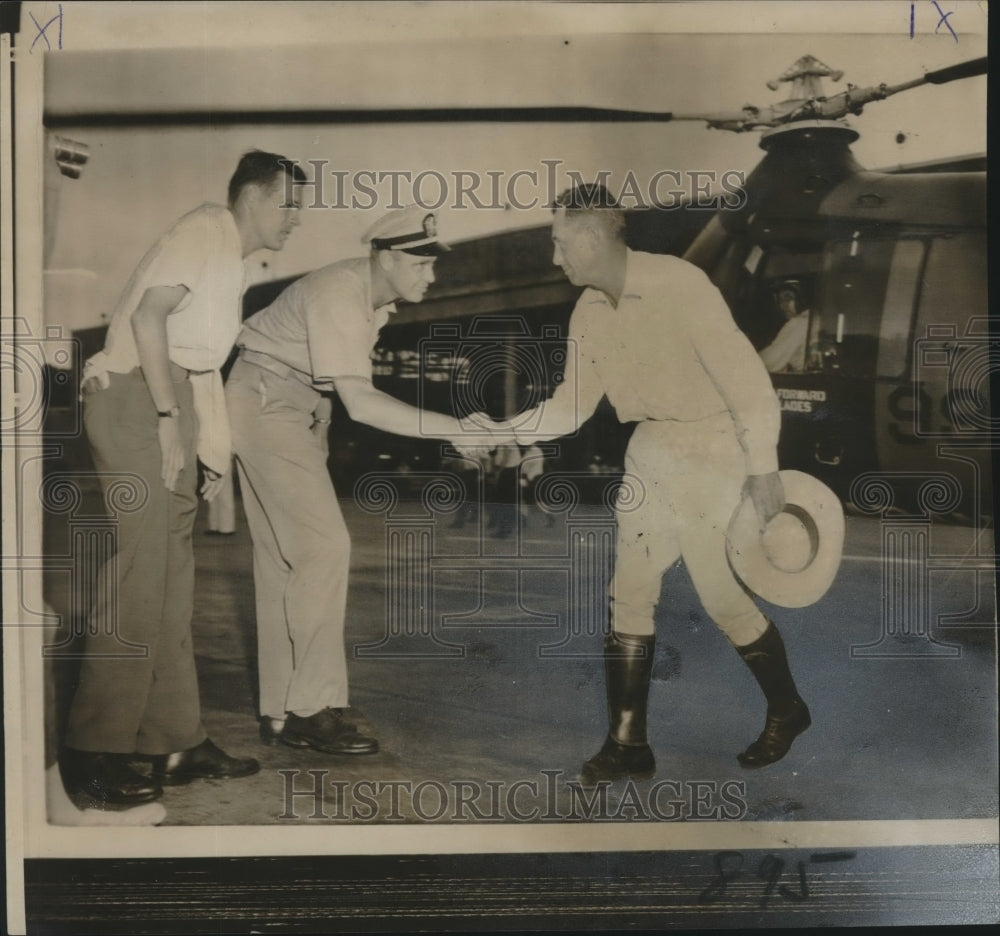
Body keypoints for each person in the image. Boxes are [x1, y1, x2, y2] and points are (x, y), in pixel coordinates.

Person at [503, 183, 810, 783]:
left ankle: (788, 709)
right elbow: (571, 407)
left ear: (592, 238)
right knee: (630, 591)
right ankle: (628, 745)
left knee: (721, 598)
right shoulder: (588, 311)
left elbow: (744, 375)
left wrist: (763, 464)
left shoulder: (679, 284)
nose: (555, 257)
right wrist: (507, 429)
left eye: (560, 243)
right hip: (652, 450)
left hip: (713, 443)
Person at [60, 150, 306, 807]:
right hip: (137, 399)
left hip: (167, 405)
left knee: (172, 578)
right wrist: (170, 421)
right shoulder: (206, 230)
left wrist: (209, 448)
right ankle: (92, 750)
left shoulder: (228, 257)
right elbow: (148, 318)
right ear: (251, 199)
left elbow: (198, 361)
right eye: (288, 204)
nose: (296, 220)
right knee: (141, 575)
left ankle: (173, 738)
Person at [226, 204, 490, 755]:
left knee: (286, 560)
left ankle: (281, 711)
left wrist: (318, 416)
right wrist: (454, 429)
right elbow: (364, 403)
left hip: (276, 401)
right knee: (324, 547)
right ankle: (312, 707)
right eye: (420, 263)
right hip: (266, 402)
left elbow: (320, 369)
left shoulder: (372, 299)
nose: (431, 275)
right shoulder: (341, 292)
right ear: (387, 257)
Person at [759, 281, 815, 373]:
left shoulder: (798, 323)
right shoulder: (812, 319)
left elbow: (771, 362)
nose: (783, 305)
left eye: (788, 298)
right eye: (780, 300)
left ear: (802, 298)